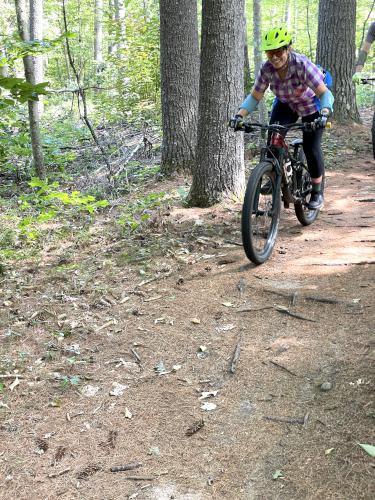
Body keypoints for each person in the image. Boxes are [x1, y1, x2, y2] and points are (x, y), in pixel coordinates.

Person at [230, 27, 334, 210]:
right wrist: (239, 115)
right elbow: (255, 96)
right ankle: (274, 174)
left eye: (278, 51)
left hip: (310, 104)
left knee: (311, 147)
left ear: (288, 49)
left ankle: (317, 192)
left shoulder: (301, 65)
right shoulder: (267, 69)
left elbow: (324, 93)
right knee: (273, 141)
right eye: (270, 52)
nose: (274, 57)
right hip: (286, 104)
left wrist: (325, 112)